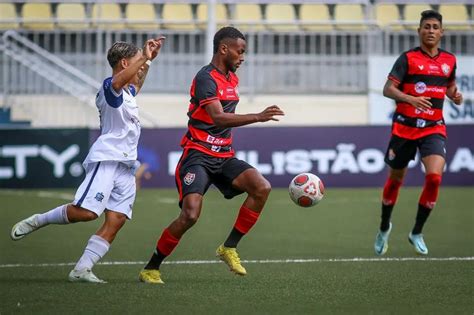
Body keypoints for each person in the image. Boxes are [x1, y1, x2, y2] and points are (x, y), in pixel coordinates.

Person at [10, 37, 165, 283]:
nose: (140, 67)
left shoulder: (127, 93)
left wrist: (148, 63)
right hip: (107, 160)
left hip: (126, 166)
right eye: (136, 61)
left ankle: (82, 269)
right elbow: (121, 81)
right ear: (125, 63)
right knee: (86, 213)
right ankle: (39, 220)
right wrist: (144, 58)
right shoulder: (109, 88)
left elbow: (136, 83)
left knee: (117, 220)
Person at [139, 26, 284, 284]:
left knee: (261, 187)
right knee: (190, 215)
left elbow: (222, 119)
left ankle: (229, 247)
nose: (243, 57)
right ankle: (151, 267)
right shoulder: (206, 77)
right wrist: (258, 117)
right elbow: (217, 116)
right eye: (240, 52)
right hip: (197, 155)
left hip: (224, 155)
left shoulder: (232, 78)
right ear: (223, 49)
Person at [374, 10, 463, 256]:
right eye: (426, 26)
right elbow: (388, 89)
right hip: (404, 128)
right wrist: (409, 99)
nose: (431, 30)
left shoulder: (449, 60)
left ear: (442, 32)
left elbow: (450, 86)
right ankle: (384, 227)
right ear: (419, 31)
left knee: (434, 177)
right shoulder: (408, 59)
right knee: (395, 180)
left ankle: (416, 232)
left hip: (433, 128)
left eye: (435, 27)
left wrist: (454, 95)